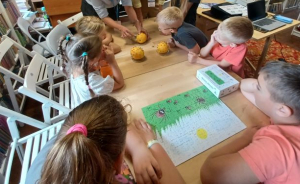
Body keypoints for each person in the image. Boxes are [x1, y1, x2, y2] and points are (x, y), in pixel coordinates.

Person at [32, 95, 185, 184]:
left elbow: (108, 122)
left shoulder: (69, 139)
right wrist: (152, 143)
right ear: (118, 163)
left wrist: (139, 148)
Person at [201, 61, 300, 184]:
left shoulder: (279, 148)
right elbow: (244, 86)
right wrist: (264, 82)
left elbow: (211, 176)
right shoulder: (291, 115)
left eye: (258, 87)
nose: (254, 88)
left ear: (282, 110)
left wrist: (246, 138)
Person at [58, 34, 124, 107]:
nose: (105, 48)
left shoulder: (74, 65)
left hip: (81, 105)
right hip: (95, 112)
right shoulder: (93, 81)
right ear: (92, 60)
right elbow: (119, 83)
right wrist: (112, 62)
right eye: (102, 48)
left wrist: (97, 63)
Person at [188, 16, 253, 78]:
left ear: (232, 44)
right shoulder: (218, 39)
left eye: (219, 36)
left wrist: (198, 60)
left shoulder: (240, 48)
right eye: (217, 30)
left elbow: (222, 65)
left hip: (231, 75)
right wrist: (211, 43)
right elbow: (202, 54)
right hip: (215, 66)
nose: (215, 34)